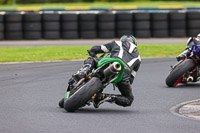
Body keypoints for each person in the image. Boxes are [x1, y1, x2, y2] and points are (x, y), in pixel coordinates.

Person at [70, 35, 141, 108]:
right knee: (128, 99)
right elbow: (131, 77)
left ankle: (84, 71)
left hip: (112, 61)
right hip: (124, 72)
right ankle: (104, 97)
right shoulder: (138, 57)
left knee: (91, 59)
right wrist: (123, 83)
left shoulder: (118, 43)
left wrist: (91, 52)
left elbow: (99, 48)